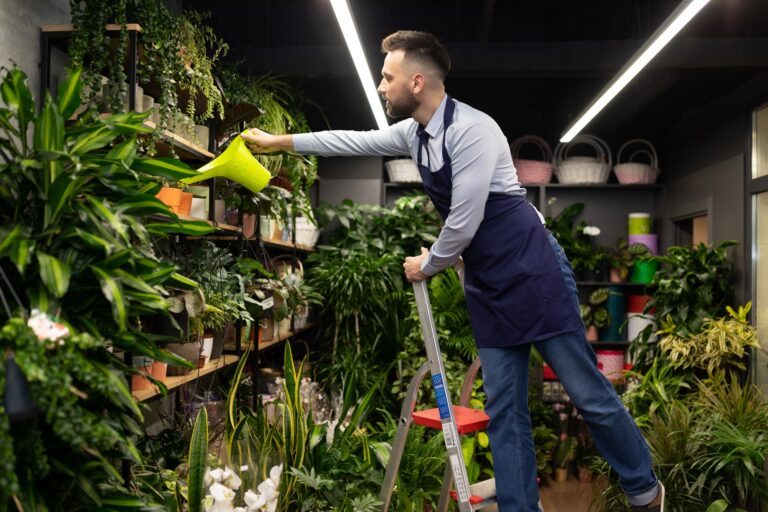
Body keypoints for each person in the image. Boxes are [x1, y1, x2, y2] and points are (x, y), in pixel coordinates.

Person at [241, 30, 665, 512]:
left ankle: (644, 489)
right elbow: (353, 140)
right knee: (505, 411)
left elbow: (464, 220)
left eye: (388, 77)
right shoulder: (414, 133)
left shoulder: (474, 131)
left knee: (586, 391)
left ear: (417, 82)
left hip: (532, 269)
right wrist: (279, 142)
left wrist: (429, 263)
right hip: (487, 282)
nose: (381, 87)